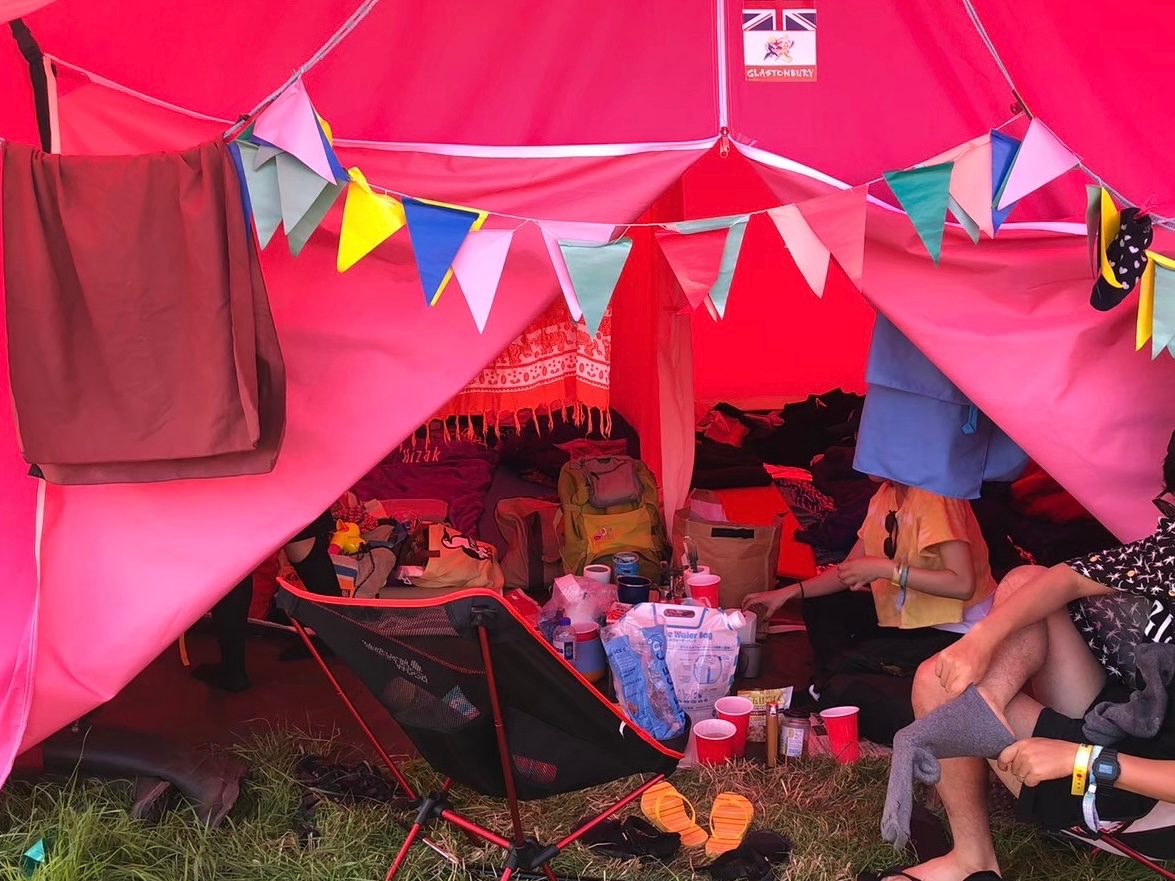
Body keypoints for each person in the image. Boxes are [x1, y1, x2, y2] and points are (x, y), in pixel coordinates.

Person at [863, 433, 1175, 881]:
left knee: (937, 684)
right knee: (1027, 580)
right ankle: (981, 721)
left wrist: (1081, 761)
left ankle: (973, 853)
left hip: (1134, 787)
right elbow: (1068, 578)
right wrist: (981, 640)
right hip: (1130, 722)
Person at [742, 478, 997, 647]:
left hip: (957, 630)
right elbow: (849, 568)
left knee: (855, 675)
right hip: (909, 617)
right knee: (823, 605)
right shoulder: (885, 494)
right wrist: (788, 593)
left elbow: (962, 584)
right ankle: (826, 687)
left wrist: (885, 569)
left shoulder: (937, 496)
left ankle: (836, 688)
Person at [193, 509, 341, 693]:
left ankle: (232, 671)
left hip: (237, 493)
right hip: (288, 484)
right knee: (304, 541)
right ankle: (334, 641)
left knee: (232, 557)